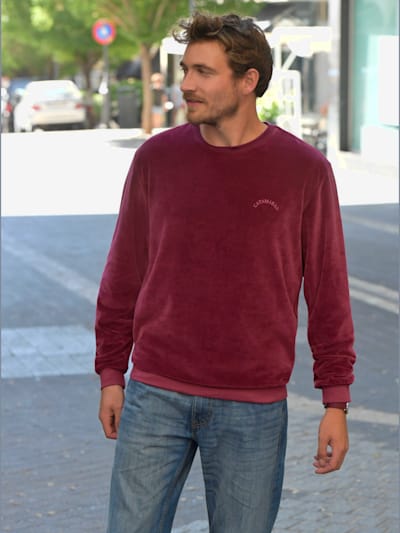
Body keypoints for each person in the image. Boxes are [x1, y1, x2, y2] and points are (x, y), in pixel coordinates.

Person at [95, 12, 356, 533]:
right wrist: (111, 373)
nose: (186, 84)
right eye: (186, 70)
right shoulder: (156, 159)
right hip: (155, 394)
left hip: (252, 408)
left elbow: (328, 291)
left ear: (247, 80)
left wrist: (336, 401)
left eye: (203, 72)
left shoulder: (304, 170)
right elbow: (123, 272)